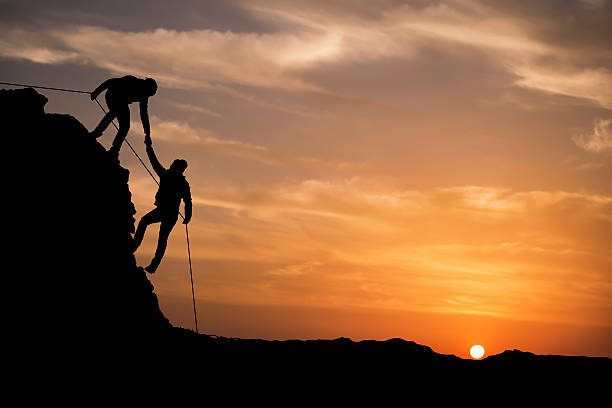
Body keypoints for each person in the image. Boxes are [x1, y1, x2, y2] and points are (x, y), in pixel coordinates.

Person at [132, 134, 192, 273]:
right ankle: (146, 258)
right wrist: (148, 147)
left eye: (173, 166)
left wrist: (188, 215)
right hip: (167, 212)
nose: (170, 167)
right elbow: (154, 162)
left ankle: (144, 255)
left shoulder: (173, 178)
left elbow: (188, 201)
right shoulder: (176, 179)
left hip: (167, 213)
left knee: (156, 232)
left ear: (177, 168)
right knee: (154, 230)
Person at [89, 75, 157, 157]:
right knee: (116, 113)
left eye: (149, 95)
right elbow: (110, 82)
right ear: (145, 87)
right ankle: (98, 135)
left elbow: (144, 115)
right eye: (148, 93)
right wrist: (96, 92)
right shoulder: (132, 81)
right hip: (112, 95)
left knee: (124, 124)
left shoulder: (144, 96)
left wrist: (147, 133)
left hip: (122, 102)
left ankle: (114, 149)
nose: (147, 96)